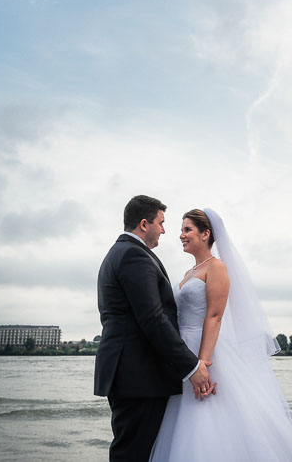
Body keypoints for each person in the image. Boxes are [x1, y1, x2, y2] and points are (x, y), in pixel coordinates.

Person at [150, 208, 292, 461]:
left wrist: (202, 364)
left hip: (204, 352)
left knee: (206, 414)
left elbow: (214, 317)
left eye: (187, 230)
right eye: (181, 230)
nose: (181, 236)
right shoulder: (187, 274)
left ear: (205, 234)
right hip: (183, 354)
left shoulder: (217, 268)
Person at [94, 195, 216, 461]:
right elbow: (152, 319)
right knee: (133, 453)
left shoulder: (121, 252)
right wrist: (191, 366)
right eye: (161, 222)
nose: (164, 229)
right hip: (138, 374)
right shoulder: (133, 256)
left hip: (130, 372)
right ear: (144, 224)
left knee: (132, 449)